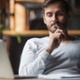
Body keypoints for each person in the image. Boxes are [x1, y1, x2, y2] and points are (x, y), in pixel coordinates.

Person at [19, 0, 80, 77]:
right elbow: (25, 74)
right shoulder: (33, 43)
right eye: (49, 15)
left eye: (60, 14)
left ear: (68, 16)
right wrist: (49, 49)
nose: (54, 19)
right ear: (44, 19)